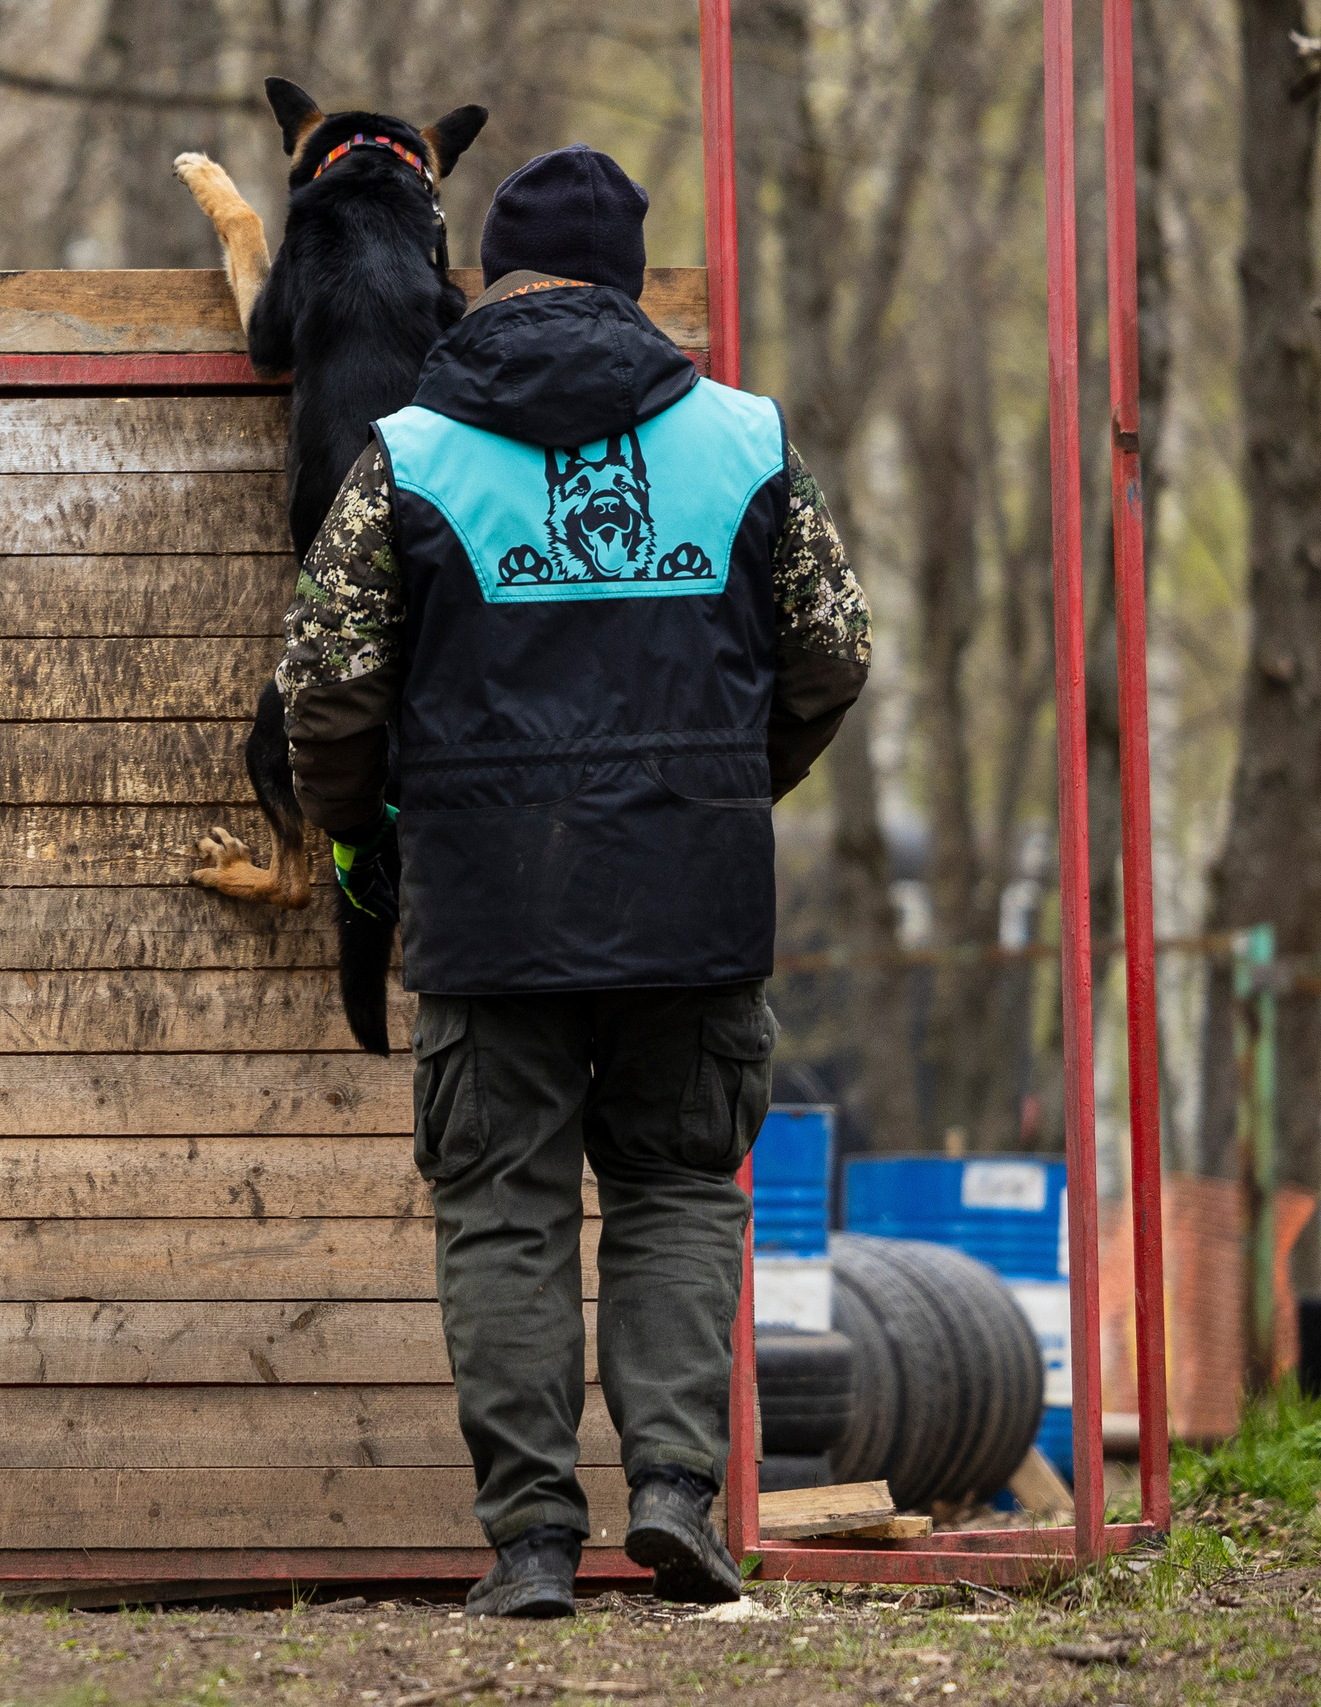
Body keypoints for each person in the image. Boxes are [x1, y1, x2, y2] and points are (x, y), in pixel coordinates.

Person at [275, 143, 872, 1617]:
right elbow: (835, 652)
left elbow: (327, 690)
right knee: (675, 1187)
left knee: (505, 1206)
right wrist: (734, 785)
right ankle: (674, 1492)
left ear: (489, 275)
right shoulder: (745, 439)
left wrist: (373, 846)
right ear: (633, 281)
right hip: (696, 897)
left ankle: (534, 1539)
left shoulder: (411, 449)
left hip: (487, 907)